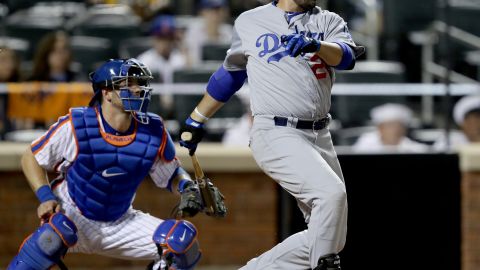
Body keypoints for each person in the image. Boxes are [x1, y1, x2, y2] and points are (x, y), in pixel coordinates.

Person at [179, 0, 365, 269]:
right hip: (276, 130)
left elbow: (346, 57)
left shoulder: (328, 20)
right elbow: (230, 74)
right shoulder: (250, 21)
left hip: (320, 133)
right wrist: (196, 118)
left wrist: (316, 45)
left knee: (330, 236)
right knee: (330, 196)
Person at [7, 58, 212, 270]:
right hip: (72, 214)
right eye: (128, 83)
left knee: (182, 243)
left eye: (139, 83)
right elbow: (30, 157)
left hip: (121, 220)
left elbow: (170, 174)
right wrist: (45, 197)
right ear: (106, 93)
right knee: (48, 239)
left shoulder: (153, 129)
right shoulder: (77, 124)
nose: (137, 89)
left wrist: (187, 187)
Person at [353, 103, 429, 153]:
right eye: (389, 125)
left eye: (398, 126)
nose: (395, 130)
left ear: (404, 129)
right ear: (380, 128)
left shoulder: (414, 149)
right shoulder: (365, 143)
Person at [138, 15, 188, 84]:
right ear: (154, 39)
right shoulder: (145, 61)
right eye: (161, 39)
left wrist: (182, 45)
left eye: (168, 39)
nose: (165, 43)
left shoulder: (180, 58)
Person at [183, 0, 233, 66]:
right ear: (203, 12)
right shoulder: (194, 31)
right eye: (211, 10)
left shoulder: (229, 32)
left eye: (219, 10)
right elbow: (189, 61)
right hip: (200, 73)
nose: (216, 15)